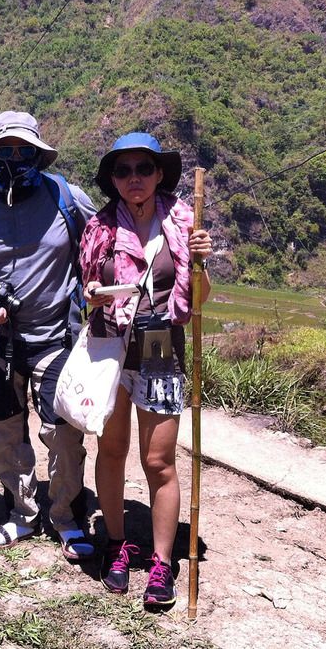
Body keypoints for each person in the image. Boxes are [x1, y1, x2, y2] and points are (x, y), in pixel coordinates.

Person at [0, 110, 97, 557]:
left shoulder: (67, 197)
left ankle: (66, 516)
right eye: (5, 150)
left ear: (39, 152)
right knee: (6, 432)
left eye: (23, 149)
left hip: (57, 340)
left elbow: (105, 241)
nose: (15, 157)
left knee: (64, 435)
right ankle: (21, 513)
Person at [80, 132, 212, 608]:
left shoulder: (182, 224)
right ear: (113, 179)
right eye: (123, 171)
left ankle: (161, 562)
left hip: (160, 351)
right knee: (111, 452)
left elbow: (195, 302)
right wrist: (94, 295)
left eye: (143, 169)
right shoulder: (100, 229)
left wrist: (199, 263)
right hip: (110, 351)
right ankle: (116, 545)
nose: (133, 178)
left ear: (159, 174)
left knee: (159, 462)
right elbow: (86, 291)